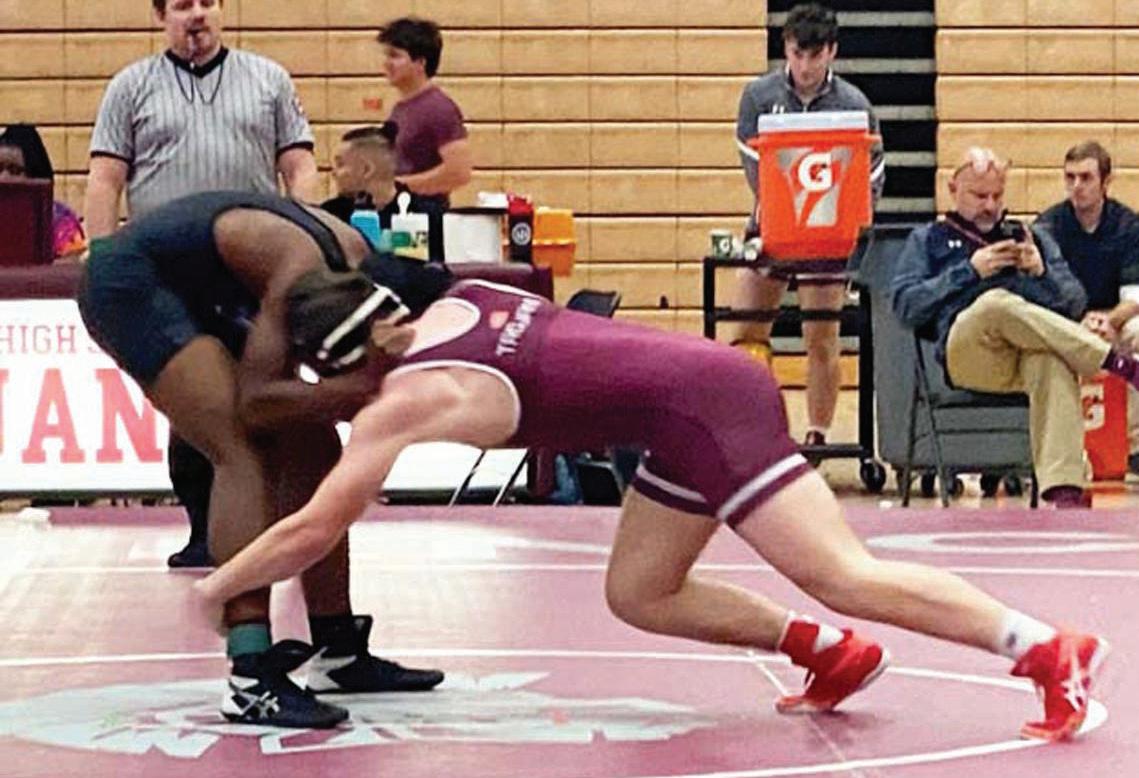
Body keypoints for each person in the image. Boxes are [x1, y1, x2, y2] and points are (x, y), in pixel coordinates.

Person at [195, 271, 1108, 742]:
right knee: (640, 589)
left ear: (341, 362)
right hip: (684, 405)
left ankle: (1043, 648)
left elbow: (315, 526)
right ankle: (827, 652)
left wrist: (220, 585)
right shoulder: (464, 302)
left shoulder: (411, 398)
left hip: (707, 410)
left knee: (841, 571)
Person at [77, 190, 450, 728]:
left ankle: (338, 650)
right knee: (239, 447)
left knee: (316, 446)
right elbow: (258, 401)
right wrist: (346, 391)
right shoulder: (297, 271)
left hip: (206, 285)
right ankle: (249, 675)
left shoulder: (344, 264)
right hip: (131, 283)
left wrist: (353, 389)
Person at [85, 0, 321, 568]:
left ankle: (266, 527)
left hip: (248, 267)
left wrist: (305, 233)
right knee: (195, 406)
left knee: (259, 390)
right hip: (166, 270)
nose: (197, 15)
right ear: (160, 16)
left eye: (208, 2)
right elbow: (105, 179)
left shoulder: (268, 80)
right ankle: (202, 532)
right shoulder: (130, 87)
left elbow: (299, 167)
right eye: (183, 5)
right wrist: (101, 254)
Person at [891, 147, 1139, 508]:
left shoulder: (1029, 236)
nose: (990, 206)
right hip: (968, 353)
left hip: (1020, 358)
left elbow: (1074, 304)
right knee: (995, 303)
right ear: (953, 190)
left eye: (997, 196)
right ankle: (1112, 362)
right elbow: (905, 306)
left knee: (1051, 362)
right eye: (980, 196)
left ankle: (1065, 491)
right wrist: (969, 271)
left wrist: (1041, 272)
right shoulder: (929, 239)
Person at [732, 2, 885, 451]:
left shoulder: (854, 104)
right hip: (772, 231)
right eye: (798, 54)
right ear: (786, 49)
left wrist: (852, 227)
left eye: (814, 56)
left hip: (827, 238)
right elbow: (753, 164)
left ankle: (818, 433)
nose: (805, 66)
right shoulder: (758, 96)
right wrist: (782, 213)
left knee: (821, 336)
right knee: (744, 332)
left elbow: (873, 173)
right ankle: (757, 427)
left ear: (831, 52)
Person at [1035, 141, 1139, 473]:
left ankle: (1135, 446)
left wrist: (1109, 322)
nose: (1076, 186)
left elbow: (1134, 295)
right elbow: (1042, 291)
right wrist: (1080, 322)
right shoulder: (1048, 226)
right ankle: (1051, 451)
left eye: (1086, 178)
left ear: (1106, 182)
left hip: (1115, 317)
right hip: (1066, 319)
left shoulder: (1128, 226)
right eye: (1070, 178)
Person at [378, 16, 472, 210]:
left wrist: (398, 186)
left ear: (420, 62)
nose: (387, 63)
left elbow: (459, 172)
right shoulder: (400, 108)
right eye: (387, 56)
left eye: (395, 56)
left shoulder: (438, 109)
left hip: (424, 215)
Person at [320, 123, 443, 230]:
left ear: (366, 170)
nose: (334, 172)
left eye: (340, 164)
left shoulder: (428, 216)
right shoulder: (329, 216)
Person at [0, 124, 87, 260]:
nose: (4, 178)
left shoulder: (59, 220)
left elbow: (72, 263)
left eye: (15, 171)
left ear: (34, 174)